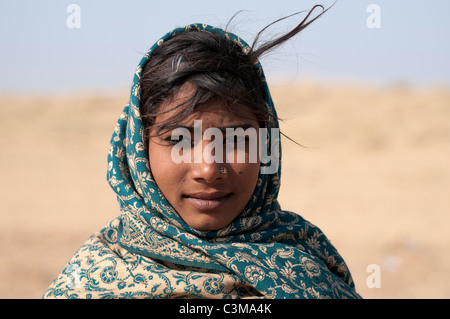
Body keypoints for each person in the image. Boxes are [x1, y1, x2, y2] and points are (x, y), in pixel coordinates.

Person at [43, 5, 361, 299]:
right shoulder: (87, 284)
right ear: (138, 150)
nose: (208, 169)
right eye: (177, 140)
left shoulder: (311, 270)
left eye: (236, 140)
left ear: (266, 146)